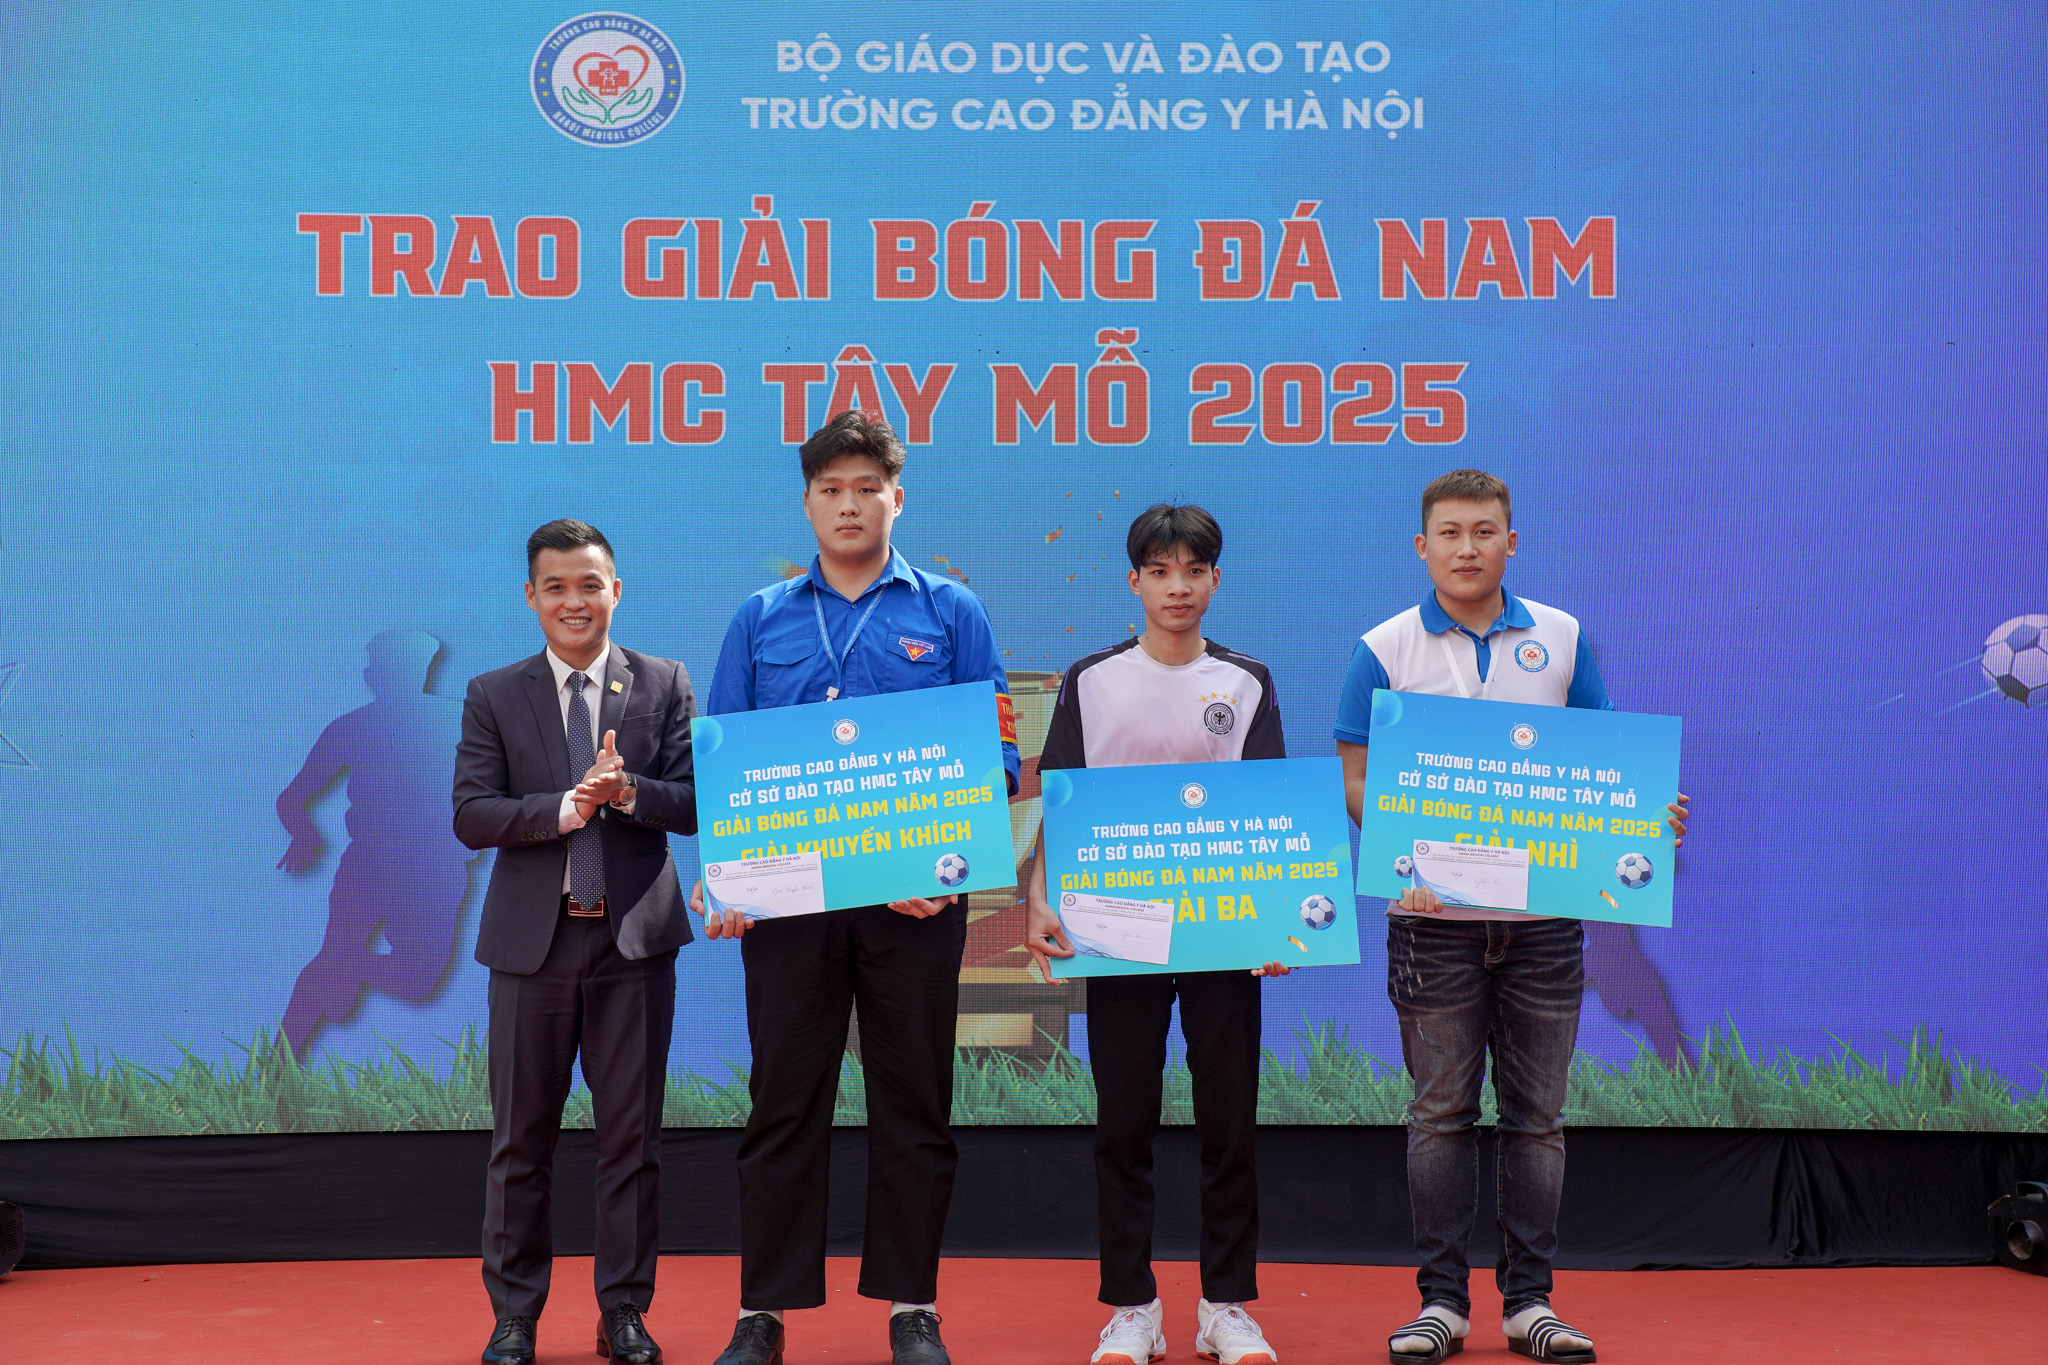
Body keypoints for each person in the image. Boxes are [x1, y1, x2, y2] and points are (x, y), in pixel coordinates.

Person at [1333, 471, 1690, 1365]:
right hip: (1433, 926)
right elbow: (1354, 780)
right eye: (1450, 532)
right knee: (1440, 1116)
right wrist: (1405, 858)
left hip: (1545, 926)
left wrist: (1650, 816)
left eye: (1485, 531)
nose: (1468, 547)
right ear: (1423, 546)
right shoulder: (1383, 647)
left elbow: (1604, 767)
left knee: (1536, 1120)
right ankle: (1442, 1305)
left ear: (1511, 542)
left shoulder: (1562, 637)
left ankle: (1531, 1303)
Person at [697, 410, 1022, 1365]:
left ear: (896, 498)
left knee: (913, 1103)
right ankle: (763, 1311)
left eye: (866, 488)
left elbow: (997, 754)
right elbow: (725, 761)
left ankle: (913, 1307)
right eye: (831, 489)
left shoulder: (952, 611)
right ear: (807, 502)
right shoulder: (760, 617)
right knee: (782, 1103)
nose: (849, 504)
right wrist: (725, 878)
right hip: (788, 907)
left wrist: (943, 863)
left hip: (913, 905)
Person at [1024, 504, 1291, 1365]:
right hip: (1118, 932)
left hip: (1223, 935)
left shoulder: (1247, 681)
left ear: (1216, 580)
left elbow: (1272, 816)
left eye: (1195, 571)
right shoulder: (1091, 679)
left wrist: (1277, 922)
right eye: (1161, 571)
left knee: (1229, 1120)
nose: (1179, 587)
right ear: (1134, 581)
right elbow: (1060, 802)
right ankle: (1132, 1307)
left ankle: (1226, 1305)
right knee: (1124, 1121)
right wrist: (1039, 897)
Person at [453, 520, 700, 1365]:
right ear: (531, 596)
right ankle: (514, 1315)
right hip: (533, 950)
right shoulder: (493, 693)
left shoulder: (664, 682)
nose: (574, 601)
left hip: (634, 948)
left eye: (590, 584)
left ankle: (623, 1310)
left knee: (632, 1142)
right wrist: (564, 808)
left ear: (615, 590)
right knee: (521, 1142)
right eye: (556, 586)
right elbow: (471, 813)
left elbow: (697, 801)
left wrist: (629, 792)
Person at [276, 630, 474, 1060]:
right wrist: (304, 835)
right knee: (346, 968)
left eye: (402, 668)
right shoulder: (351, 727)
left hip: (435, 866)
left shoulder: (462, 722)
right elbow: (291, 799)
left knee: (414, 981)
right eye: (385, 669)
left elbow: (508, 787)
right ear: (372, 676)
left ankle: (341, 967)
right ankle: (276, 1069)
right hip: (371, 865)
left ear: (422, 671)